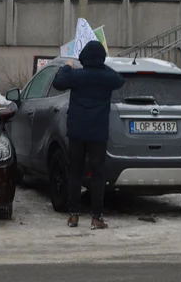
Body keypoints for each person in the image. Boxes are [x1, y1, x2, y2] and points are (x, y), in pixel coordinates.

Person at [50, 40, 125, 231]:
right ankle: (96, 217)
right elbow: (119, 79)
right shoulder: (107, 77)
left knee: (74, 172)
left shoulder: (76, 76)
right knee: (98, 174)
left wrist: (67, 68)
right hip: (98, 133)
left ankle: (74, 215)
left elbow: (58, 82)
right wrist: (101, 66)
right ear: (101, 58)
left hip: (76, 131)